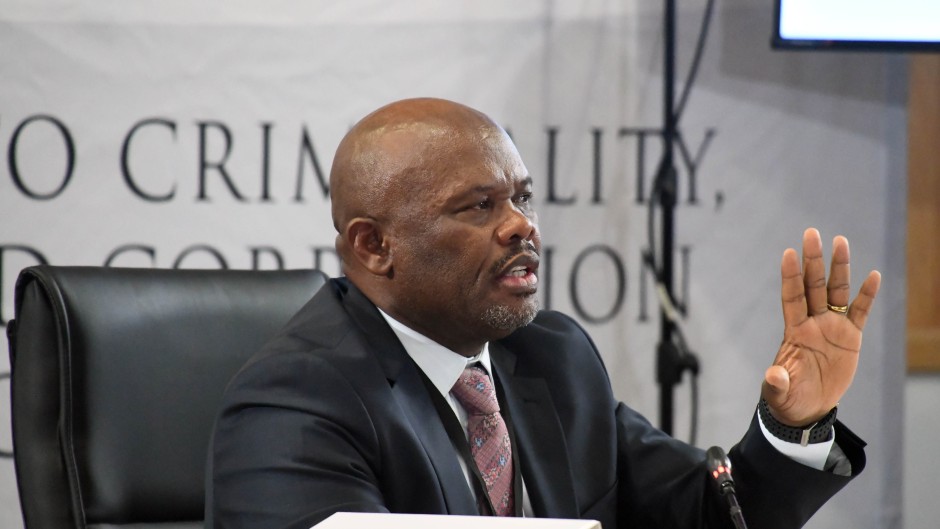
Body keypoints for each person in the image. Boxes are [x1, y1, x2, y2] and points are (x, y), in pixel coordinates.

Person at [206, 97, 881, 529]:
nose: (520, 227)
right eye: (479, 206)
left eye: (523, 198)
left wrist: (793, 426)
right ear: (374, 245)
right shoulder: (293, 400)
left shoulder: (553, 357)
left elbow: (707, 517)